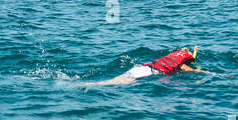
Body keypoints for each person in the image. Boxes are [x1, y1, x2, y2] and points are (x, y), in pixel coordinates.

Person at [82, 47, 213, 86]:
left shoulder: (172, 56)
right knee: (113, 83)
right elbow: (195, 71)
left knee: (114, 80)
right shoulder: (183, 64)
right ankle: (90, 85)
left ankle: (89, 84)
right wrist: (215, 74)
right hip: (148, 72)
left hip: (141, 68)